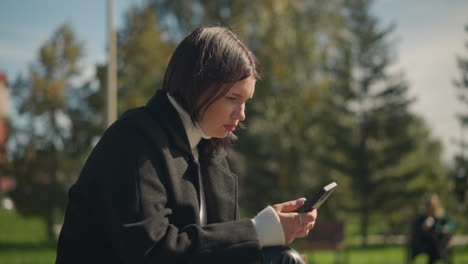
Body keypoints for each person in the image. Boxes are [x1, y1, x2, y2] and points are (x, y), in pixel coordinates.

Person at [56, 26, 318, 264]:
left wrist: (270, 228)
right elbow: (151, 252)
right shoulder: (132, 141)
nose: (242, 114)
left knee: (283, 259)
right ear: (197, 85)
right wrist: (258, 230)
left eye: (246, 101)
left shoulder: (209, 152)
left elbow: (216, 252)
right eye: (232, 98)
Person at [408, 194, 456, 264]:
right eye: (429, 206)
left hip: (440, 242)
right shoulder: (423, 217)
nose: (431, 208)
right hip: (426, 243)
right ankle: (439, 256)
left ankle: (436, 258)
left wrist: (447, 227)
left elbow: (452, 223)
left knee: (441, 240)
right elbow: (416, 228)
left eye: (433, 206)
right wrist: (424, 226)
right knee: (433, 243)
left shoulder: (441, 216)